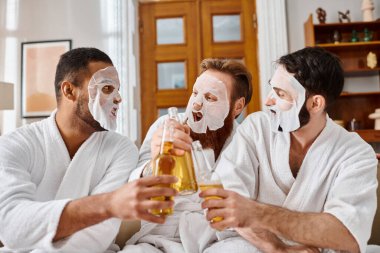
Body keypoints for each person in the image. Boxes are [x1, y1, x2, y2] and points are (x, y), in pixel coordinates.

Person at [200, 47, 378, 253]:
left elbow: (348, 234)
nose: (267, 101)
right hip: (250, 244)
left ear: (315, 103)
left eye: (280, 93)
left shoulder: (356, 153)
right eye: (271, 89)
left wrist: (257, 212)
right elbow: (226, 205)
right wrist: (277, 248)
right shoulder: (256, 128)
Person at [0, 47, 177, 253]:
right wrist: (108, 204)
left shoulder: (121, 148)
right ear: (69, 91)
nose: (119, 98)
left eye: (118, 90)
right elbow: (10, 224)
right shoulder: (14, 144)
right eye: (108, 88)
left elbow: (97, 235)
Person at [120, 58, 253, 253]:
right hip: (158, 238)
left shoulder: (246, 142)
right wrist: (157, 161)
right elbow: (133, 189)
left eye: (210, 98)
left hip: (218, 240)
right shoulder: (164, 127)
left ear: (237, 107)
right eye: (195, 93)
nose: (196, 105)